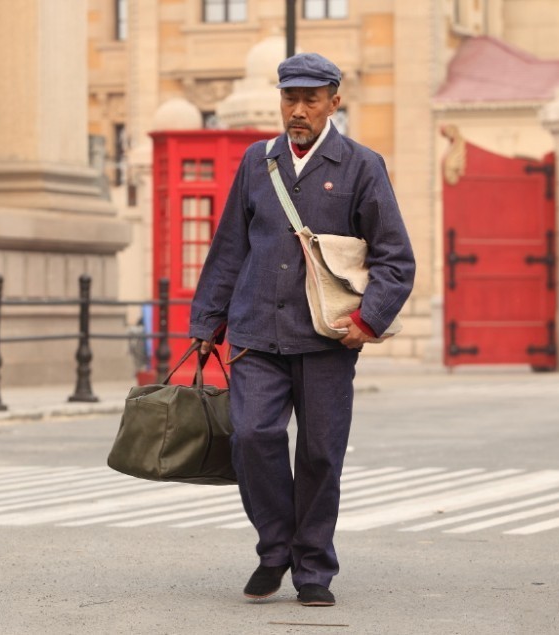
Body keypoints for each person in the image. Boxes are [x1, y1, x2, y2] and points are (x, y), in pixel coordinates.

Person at [188, 52, 415, 607]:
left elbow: (395, 259)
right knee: (253, 436)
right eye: (290, 97)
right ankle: (275, 549)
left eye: (311, 98)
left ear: (334, 102)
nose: (299, 109)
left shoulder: (362, 165)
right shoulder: (255, 161)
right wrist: (206, 321)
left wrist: (368, 320)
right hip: (255, 331)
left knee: (318, 454)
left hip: (326, 337)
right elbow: (229, 248)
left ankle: (313, 566)